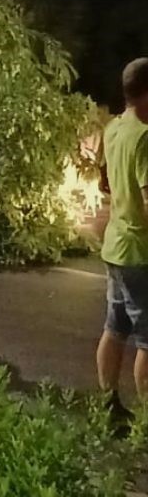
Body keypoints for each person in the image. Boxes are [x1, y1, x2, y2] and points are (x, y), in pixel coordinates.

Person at [95, 58, 148, 428]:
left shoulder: (113, 127)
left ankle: (108, 405)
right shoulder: (146, 136)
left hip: (115, 245)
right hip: (141, 252)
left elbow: (107, 184)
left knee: (114, 329)